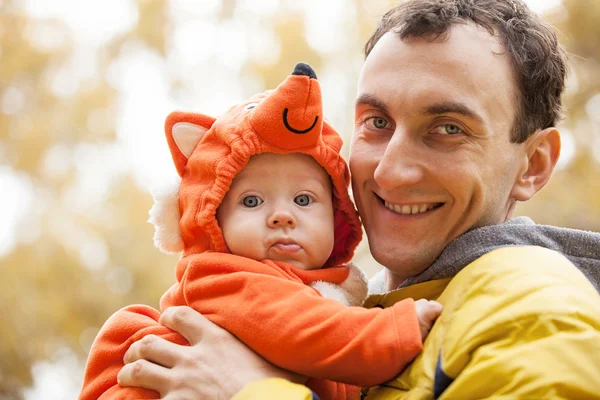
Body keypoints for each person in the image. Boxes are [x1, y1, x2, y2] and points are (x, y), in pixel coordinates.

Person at [115, 0, 600, 398]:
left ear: (532, 165)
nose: (389, 169)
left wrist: (250, 391)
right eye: (378, 122)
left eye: (447, 129)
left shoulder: (536, 315)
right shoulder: (359, 308)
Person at [79, 62, 443, 400]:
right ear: (214, 223)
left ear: (337, 216)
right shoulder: (224, 277)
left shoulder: (325, 291)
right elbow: (305, 331)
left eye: (304, 199)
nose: (281, 216)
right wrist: (397, 329)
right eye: (252, 202)